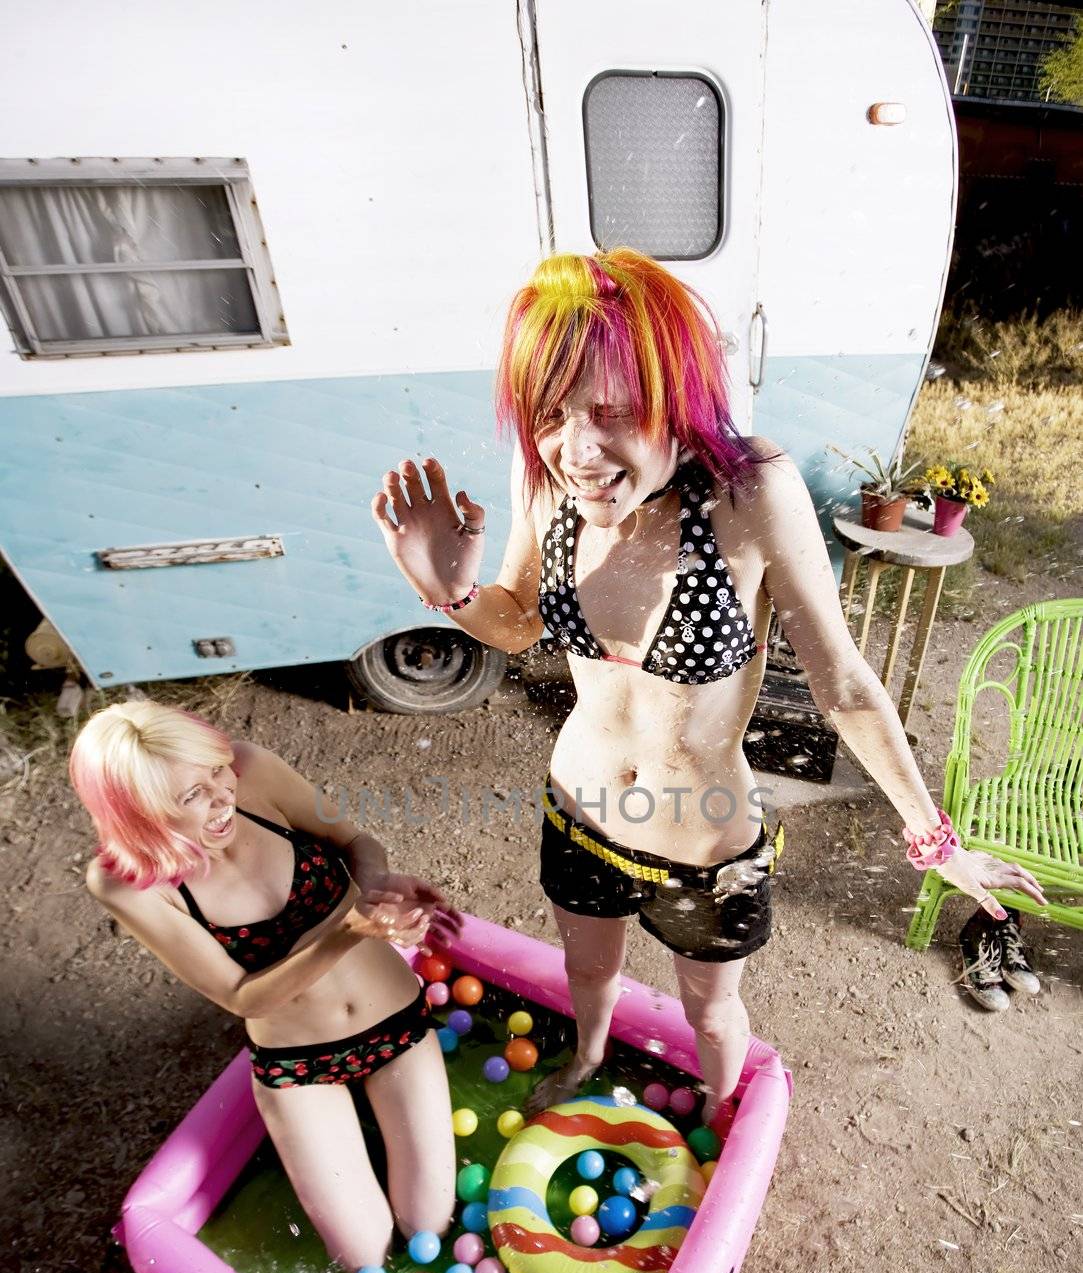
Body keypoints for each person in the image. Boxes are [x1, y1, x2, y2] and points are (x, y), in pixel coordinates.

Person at [372, 248, 1046, 1128]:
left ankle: (721, 1115)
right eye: (550, 414)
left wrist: (934, 842)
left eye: (609, 412)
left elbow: (840, 683)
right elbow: (519, 625)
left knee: (710, 1011)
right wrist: (449, 593)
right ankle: (582, 1059)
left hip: (703, 850)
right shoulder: (546, 481)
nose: (576, 449)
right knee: (588, 977)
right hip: (577, 814)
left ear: (674, 398)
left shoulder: (747, 491)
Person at [70, 700, 461, 1272]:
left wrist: (376, 889)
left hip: (396, 1024)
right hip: (299, 1066)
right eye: (191, 797)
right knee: (364, 1259)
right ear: (142, 816)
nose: (222, 796)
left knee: (429, 1225)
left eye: (215, 770)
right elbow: (241, 996)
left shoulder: (253, 770)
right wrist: (347, 932)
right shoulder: (126, 882)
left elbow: (358, 842)